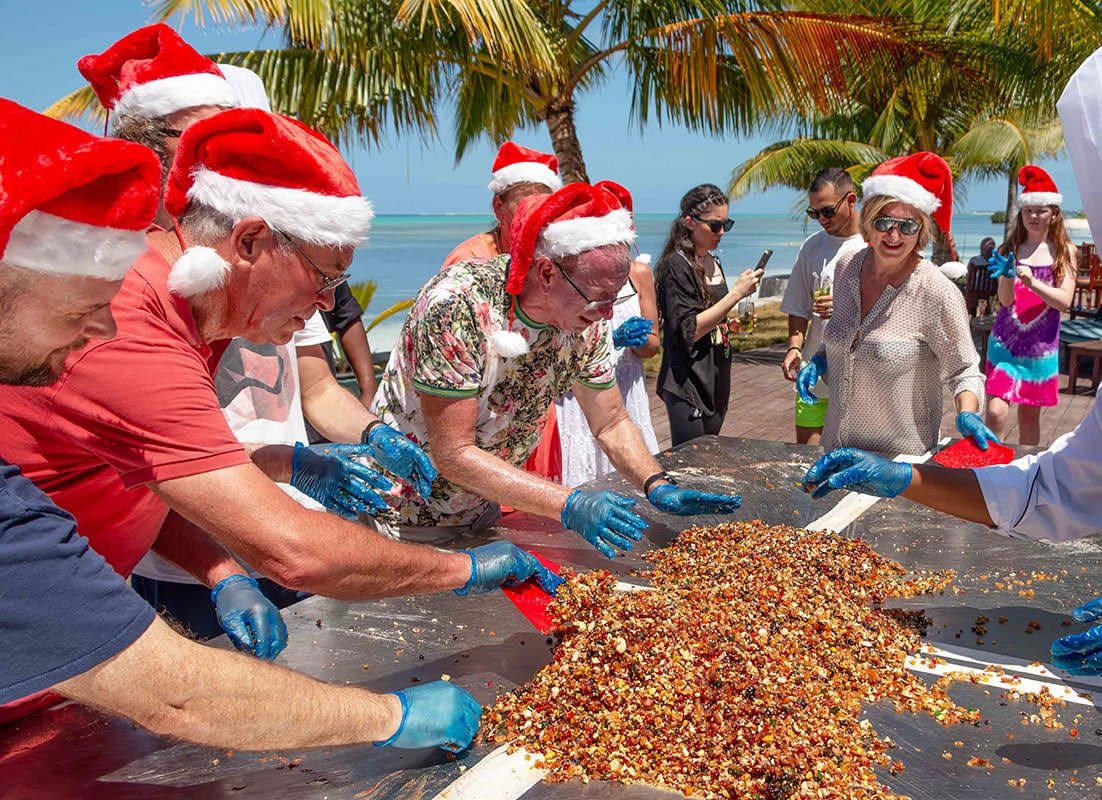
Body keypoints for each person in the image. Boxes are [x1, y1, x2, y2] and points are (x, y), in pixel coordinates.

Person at [0, 107, 558, 723]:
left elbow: (136, 477)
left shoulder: (193, 315)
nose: (327, 303)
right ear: (249, 242)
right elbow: (290, 551)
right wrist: (464, 570)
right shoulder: (129, 331)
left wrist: (217, 569)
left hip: (57, 663)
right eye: (325, 278)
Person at [373, 182, 743, 553]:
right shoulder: (456, 307)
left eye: (616, 297)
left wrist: (655, 482)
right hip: (401, 517)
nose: (608, 314)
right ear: (547, 273)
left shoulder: (587, 318)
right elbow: (454, 453)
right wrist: (569, 504)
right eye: (599, 298)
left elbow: (610, 420)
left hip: (480, 509)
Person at [796, 153, 995, 456]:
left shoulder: (937, 292)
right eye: (884, 222)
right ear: (868, 222)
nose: (893, 235)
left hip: (901, 466)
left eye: (908, 226)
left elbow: (965, 370)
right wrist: (821, 360)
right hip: (835, 452)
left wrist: (967, 412)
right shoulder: (847, 266)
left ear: (921, 231)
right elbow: (846, 337)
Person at [555, 180, 660, 486]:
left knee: (630, 466)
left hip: (626, 386)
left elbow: (654, 346)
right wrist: (609, 341)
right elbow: (557, 349)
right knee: (584, 469)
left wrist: (639, 341)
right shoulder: (576, 274)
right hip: (582, 389)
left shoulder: (640, 273)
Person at [654, 184, 764, 446]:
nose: (721, 232)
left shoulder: (712, 261)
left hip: (716, 375)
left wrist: (729, 326)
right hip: (688, 381)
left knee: (709, 454)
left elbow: (709, 316)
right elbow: (688, 329)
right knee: (690, 463)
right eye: (715, 226)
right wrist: (736, 294)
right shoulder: (677, 266)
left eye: (727, 224)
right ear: (690, 222)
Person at [983, 166, 1076, 446]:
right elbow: (1006, 300)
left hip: (1040, 348)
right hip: (1005, 343)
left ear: (1054, 213)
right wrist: (1009, 276)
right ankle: (989, 472)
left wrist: (1032, 282)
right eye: (1028, 211)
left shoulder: (1064, 251)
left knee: (1028, 419)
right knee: (996, 413)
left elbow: (1064, 302)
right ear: (1021, 214)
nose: (1033, 216)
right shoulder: (1009, 248)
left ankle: (1025, 477)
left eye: (1041, 210)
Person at [779, 167, 865, 445]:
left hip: (860, 377)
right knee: (807, 456)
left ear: (851, 200)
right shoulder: (812, 247)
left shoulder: (874, 245)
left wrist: (844, 306)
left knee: (852, 459)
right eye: (813, 213)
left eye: (827, 211)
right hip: (813, 372)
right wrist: (794, 346)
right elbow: (798, 305)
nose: (821, 220)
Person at [442, 140, 561, 268]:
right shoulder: (468, 259)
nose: (536, 216)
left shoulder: (557, 253)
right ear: (498, 208)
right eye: (524, 207)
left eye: (543, 206)